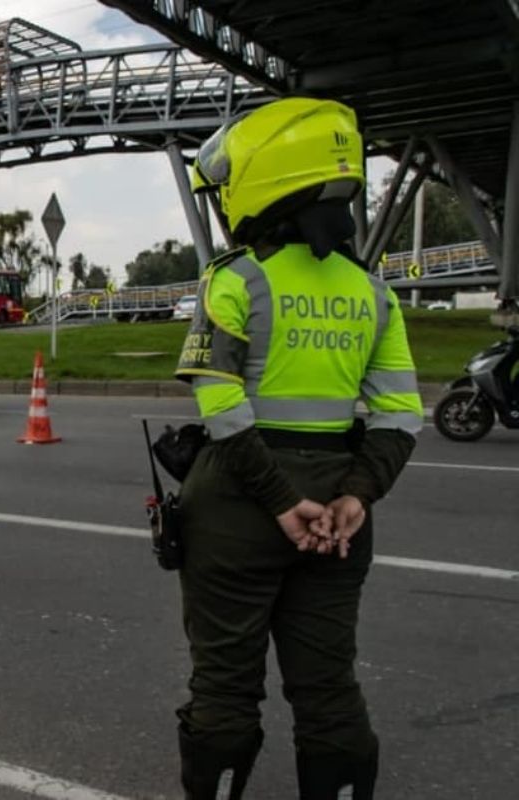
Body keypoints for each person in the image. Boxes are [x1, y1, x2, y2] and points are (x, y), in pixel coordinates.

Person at [173, 97, 423, 799]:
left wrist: (284, 503)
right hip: (341, 511)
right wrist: (354, 497)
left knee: (224, 684)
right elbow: (402, 416)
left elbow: (219, 403)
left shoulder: (238, 279)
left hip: (240, 507)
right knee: (328, 684)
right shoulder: (373, 293)